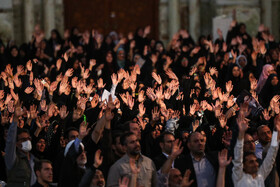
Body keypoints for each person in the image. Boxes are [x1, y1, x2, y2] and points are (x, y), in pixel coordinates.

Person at [232, 105, 280, 186]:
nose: (255, 164)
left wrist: (276, 132)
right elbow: (238, 155)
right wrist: (241, 133)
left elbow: (271, 156)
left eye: (255, 161)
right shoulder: (238, 176)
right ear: (243, 165)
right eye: (251, 162)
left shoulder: (260, 176)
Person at [5, 102, 37, 186]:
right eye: (23, 139)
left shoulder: (36, 161)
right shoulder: (13, 160)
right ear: (17, 144)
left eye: (28, 139)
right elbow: (10, 141)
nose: (27, 141)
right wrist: (15, 118)